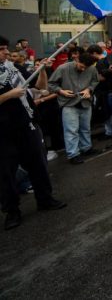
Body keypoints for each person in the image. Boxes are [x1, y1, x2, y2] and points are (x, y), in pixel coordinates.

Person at [0, 35, 66, 230]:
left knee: (38, 164)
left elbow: (40, 89)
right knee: (6, 173)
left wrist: (42, 70)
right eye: (2, 49)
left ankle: (45, 199)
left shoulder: (14, 69)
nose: (6, 52)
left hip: (26, 125)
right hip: (3, 132)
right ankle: (12, 211)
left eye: (5, 48)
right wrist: (8, 95)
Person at [47, 52, 101, 165]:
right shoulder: (63, 68)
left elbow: (95, 81)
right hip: (69, 103)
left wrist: (89, 90)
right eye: (81, 66)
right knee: (71, 130)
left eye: (85, 68)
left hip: (85, 102)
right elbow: (51, 84)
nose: (83, 69)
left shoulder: (91, 69)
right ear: (77, 60)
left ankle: (86, 148)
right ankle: (73, 154)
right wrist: (61, 91)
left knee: (85, 128)